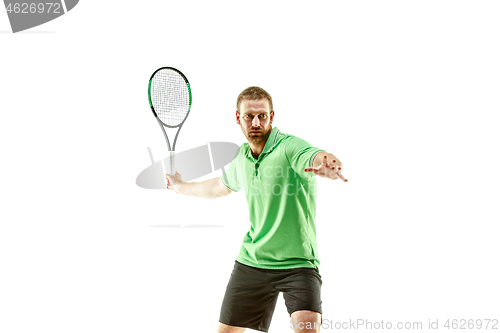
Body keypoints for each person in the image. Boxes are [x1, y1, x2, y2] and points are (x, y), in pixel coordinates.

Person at [165, 86, 347, 333]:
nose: (256, 122)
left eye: (262, 115)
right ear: (238, 118)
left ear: (272, 117)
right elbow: (220, 187)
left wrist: (328, 163)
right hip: (253, 261)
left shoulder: (289, 147)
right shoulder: (242, 156)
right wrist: (180, 187)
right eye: (249, 116)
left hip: (299, 263)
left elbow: (311, 155)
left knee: (307, 329)